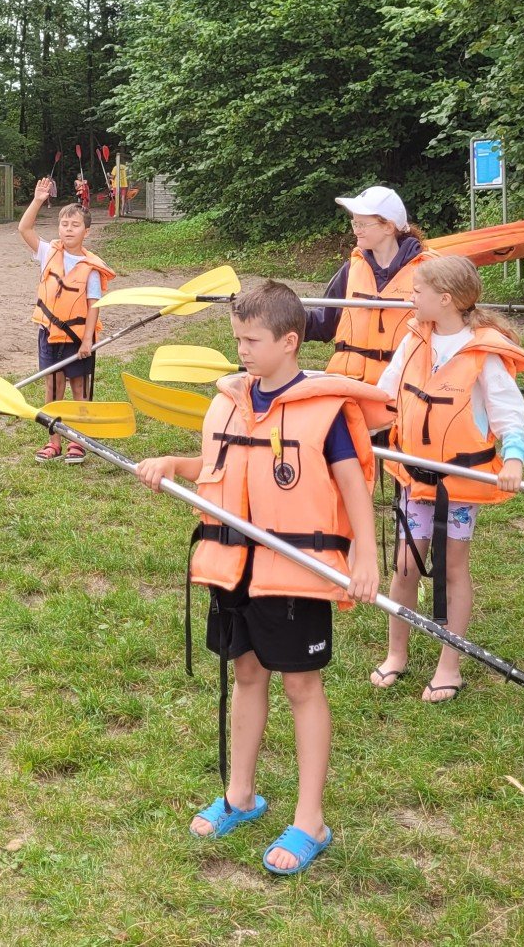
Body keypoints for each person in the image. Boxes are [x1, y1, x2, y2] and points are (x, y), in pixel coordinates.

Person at [136, 281, 380, 877]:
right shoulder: (231, 399)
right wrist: (174, 465)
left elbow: (353, 485)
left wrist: (366, 559)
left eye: (251, 340)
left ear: (289, 341)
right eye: (237, 339)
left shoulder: (324, 410)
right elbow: (217, 465)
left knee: (301, 687)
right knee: (246, 674)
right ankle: (240, 795)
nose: (241, 350)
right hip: (234, 566)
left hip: (294, 570)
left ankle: (310, 820)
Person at [370, 253, 524, 702]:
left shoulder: (484, 353)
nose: (411, 297)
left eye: (417, 291)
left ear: (444, 299)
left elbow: (508, 413)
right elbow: (384, 393)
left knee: (452, 567)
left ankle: (449, 664)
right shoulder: (414, 339)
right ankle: (396, 652)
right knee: (406, 564)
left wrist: (514, 459)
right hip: (414, 478)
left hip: (457, 484)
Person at [16, 177, 115, 464]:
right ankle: (54, 441)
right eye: (64, 224)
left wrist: (87, 340)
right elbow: (24, 229)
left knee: (78, 388)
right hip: (49, 333)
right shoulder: (48, 252)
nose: (68, 229)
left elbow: (93, 305)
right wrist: (38, 200)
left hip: (77, 338)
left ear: (86, 231)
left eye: (75, 225)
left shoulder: (91, 267)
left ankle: (78, 441)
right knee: (52, 387)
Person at [304, 185, 427, 380]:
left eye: (362, 224)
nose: (356, 231)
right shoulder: (351, 269)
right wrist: (281, 316)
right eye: (355, 223)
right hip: (349, 386)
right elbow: (323, 323)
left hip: (400, 388)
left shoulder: (427, 272)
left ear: (388, 227)